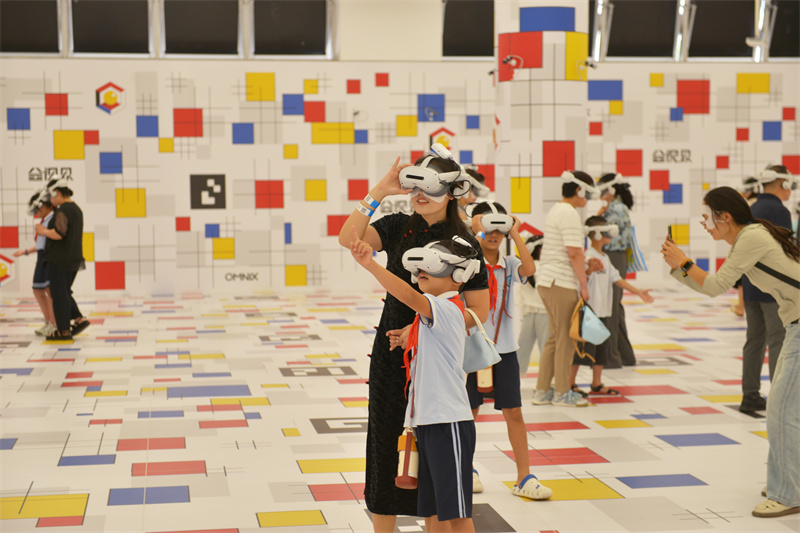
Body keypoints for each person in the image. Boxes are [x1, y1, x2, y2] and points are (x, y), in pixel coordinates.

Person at [337, 146, 489, 532]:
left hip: (436, 364)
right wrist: (380, 189)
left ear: (451, 192)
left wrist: (423, 328)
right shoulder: (397, 226)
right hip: (390, 359)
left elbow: (479, 311)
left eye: (430, 187)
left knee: (433, 461)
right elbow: (346, 237)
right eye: (415, 186)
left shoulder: (463, 242)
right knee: (385, 451)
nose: (420, 195)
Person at [661, 186, 799, 519]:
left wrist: (684, 262)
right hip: (795, 324)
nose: (704, 224)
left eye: (707, 217)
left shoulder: (751, 237)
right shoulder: (747, 239)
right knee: (785, 409)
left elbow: (716, 284)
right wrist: (679, 267)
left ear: (725, 217)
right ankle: (786, 480)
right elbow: (713, 287)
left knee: (781, 410)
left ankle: (788, 492)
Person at [350, 231, 479, 533]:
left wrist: (371, 265)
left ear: (459, 275)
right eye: (420, 268)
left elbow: (408, 297)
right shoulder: (431, 314)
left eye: (433, 267)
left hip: (448, 424)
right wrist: (408, 337)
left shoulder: (447, 308)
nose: (422, 272)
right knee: (436, 508)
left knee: (456, 513)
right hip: (429, 423)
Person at [466, 201, 552, 500]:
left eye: (499, 228)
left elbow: (530, 268)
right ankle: (466, 469)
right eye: (488, 227)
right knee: (469, 412)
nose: (494, 235)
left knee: (514, 412)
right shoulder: (468, 262)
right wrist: (475, 229)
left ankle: (524, 477)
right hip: (472, 349)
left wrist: (515, 232)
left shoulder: (510, 264)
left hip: (504, 350)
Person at [532, 171, 602, 407]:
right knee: (566, 339)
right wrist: (584, 284)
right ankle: (562, 392)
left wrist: (587, 265)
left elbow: (568, 253)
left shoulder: (557, 210)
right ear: (579, 190)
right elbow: (574, 253)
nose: (588, 200)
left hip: (549, 281)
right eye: (588, 194)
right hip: (561, 282)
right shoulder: (569, 213)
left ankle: (543, 391)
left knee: (555, 337)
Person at [570, 217, 654, 397]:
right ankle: (570, 384)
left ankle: (596, 383)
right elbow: (583, 277)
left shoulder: (605, 258)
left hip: (604, 311)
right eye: (605, 231)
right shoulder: (587, 256)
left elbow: (617, 279)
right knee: (582, 351)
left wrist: (638, 291)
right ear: (597, 234)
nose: (610, 235)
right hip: (589, 312)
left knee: (602, 350)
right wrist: (589, 269)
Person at [738, 166, 794, 412]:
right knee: (778, 341)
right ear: (783, 183)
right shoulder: (779, 211)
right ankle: (779, 401)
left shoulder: (750, 209)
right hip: (773, 291)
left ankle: (749, 395)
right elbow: (786, 252)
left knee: (754, 340)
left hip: (751, 287)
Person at [36, 178, 89, 341]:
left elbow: (59, 233)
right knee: (63, 291)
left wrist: (43, 231)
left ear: (57, 193)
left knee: (59, 294)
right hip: (73, 258)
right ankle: (78, 319)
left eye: (51, 197)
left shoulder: (63, 210)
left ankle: (63, 331)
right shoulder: (76, 209)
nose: (50, 201)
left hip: (60, 260)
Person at [596, 173, 637, 367]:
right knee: (614, 307)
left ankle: (611, 357)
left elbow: (605, 235)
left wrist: (598, 218)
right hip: (615, 256)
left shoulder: (616, 209)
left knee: (610, 307)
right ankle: (624, 356)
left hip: (614, 256)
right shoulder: (614, 207)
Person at [13, 189, 56, 336]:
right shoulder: (44, 221)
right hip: (42, 256)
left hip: (50, 257)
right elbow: (40, 244)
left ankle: (54, 324)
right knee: (38, 289)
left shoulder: (53, 219)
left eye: (38, 208)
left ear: (46, 206)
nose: (37, 212)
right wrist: (25, 251)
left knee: (50, 290)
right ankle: (48, 321)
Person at [517, 234, 548, 377]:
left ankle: (516, 377)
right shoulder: (541, 267)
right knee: (545, 349)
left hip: (531, 313)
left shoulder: (523, 267)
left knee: (523, 348)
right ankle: (545, 381)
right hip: (541, 313)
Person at [731, 176, 761, 317]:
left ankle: (741, 307)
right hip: (758, 247)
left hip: (747, 246)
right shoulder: (759, 204)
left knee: (742, 279)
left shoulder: (749, 205)